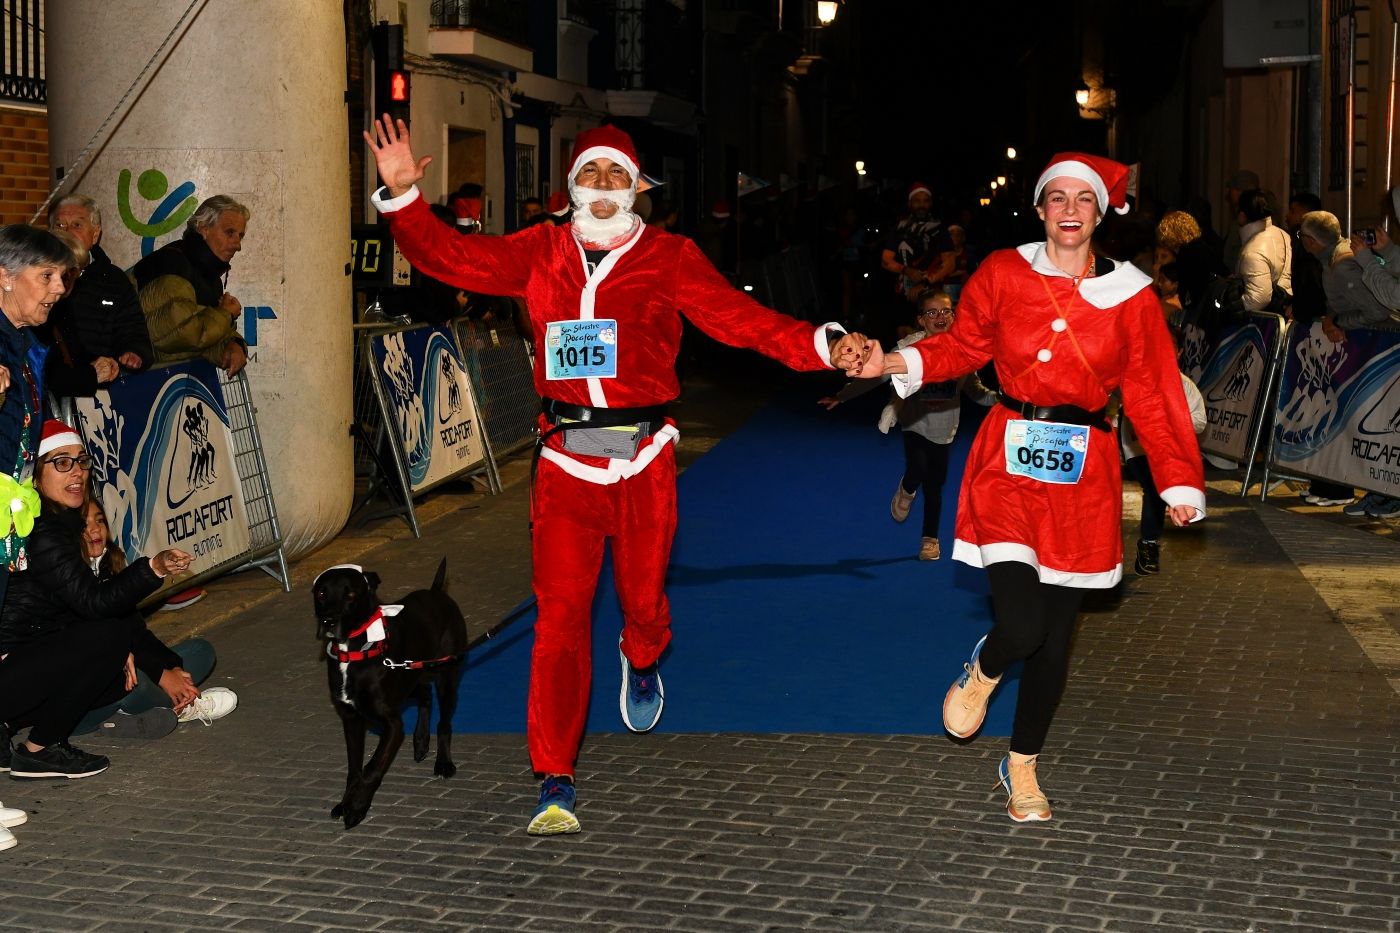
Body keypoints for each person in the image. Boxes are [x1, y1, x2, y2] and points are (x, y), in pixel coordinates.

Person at [364, 117, 865, 836]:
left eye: (616, 176)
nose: (603, 187)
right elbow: (454, 260)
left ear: (638, 190)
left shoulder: (670, 255)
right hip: (565, 462)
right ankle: (554, 775)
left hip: (644, 460)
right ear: (570, 187)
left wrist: (826, 343)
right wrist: (405, 198)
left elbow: (741, 320)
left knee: (642, 598)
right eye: (591, 175)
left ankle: (643, 653)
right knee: (560, 623)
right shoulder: (540, 249)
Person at [845, 152, 1206, 822]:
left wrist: (1178, 478)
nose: (1070, 211)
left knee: (1055, 639)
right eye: (1057, 198)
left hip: (1085, 475)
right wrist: (897, 359)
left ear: (1100, 212)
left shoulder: (1130, 293)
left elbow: (1154, 392)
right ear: (1040, 208)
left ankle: (1022, 765)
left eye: (1083, 200)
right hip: (1008, 461)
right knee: (1022, 624)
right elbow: (962, 346)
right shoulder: (1004, 272)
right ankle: (982, 669)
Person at [0, 421, 237, 745]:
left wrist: (158, 665)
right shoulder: (44, 534)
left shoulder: (73, 541)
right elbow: (94, 609)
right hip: (18, 672)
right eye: (62, 462)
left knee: (193, 653)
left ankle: (126, 715)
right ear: (37, 472)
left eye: (81, 461)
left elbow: (125, 625)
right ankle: (40, 748)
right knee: (113, 646)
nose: (77, 472)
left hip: (46, 669)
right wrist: (153, 567)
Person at [820, 289, 995, 560]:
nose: (940, 316)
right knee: (918, 468)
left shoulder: (963, 352)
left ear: (954, 316)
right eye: (932, 312)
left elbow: (975, 390)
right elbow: (874, 376)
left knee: (936, 485)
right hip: (914, 421)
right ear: (921, 320)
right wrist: (841, 396)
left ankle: (930, 539)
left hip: (945, 428)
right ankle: (907, 489)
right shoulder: (907, 349)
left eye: (946, 311)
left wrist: (1006, 401)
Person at [0, 225, 75, 849]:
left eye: (62, 277)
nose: (58, 290)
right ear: (4, 276)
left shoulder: (24, 343)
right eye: (46, 277)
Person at [1295, 210, 1398, 507]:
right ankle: (1341, 485)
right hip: (1366, 345)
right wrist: (1333, 317)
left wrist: (1339, 320)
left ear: (1312, 240)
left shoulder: (1342, 265)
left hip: (1375, 347)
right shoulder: (1332, 260)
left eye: (1303, 236)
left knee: (1371, 421)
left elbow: (1377, 310)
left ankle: (1366, 491)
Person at [132, 194, 250, 377]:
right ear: (203, 228)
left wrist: (232, 345)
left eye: (240, 236)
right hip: (142, 387)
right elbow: (181, 335)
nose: (238, 245)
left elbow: (203, 341)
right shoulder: (172, 263)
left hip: (165, 387)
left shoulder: (208, 277)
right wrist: (225, 314)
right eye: (230, 232)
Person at [47, 194, 153, 380]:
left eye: (77, 225)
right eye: (60, 225)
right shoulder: (38, 277)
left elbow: (132, 327)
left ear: (95, 234)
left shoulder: (113, 280)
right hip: (55, 388)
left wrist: (134, 352)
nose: (67, 232)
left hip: (103, 392)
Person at [1122, 371, 1207, 574]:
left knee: (1154, 488)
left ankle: (1149, 543)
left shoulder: (1185, 384)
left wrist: (1171, 419)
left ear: (1179, 353)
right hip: (1137, 447)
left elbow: (1200, 422)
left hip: (1167, 449)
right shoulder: (1133, 373)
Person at [1235, 188, 1292, 314]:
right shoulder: (1283, 234)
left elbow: (1258, 298)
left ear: (1243, 214)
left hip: (1265, 326)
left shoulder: (1252, 251)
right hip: (1285, 312)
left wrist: (1232, 309)